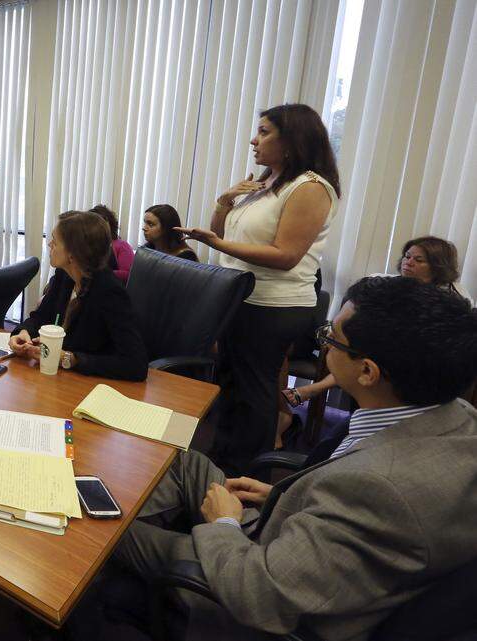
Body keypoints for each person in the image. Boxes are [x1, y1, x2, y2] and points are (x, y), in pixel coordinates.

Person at [70, 276, 477, 641]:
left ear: (368, 372)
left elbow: (261, 595)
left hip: (250, 578)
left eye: (331, 338)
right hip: (296, 538)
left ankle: (93, 545)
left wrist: (225, 523)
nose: (323, 343)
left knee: (103, 530)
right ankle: (125, 509)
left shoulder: (380, 489)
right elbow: (346, 507)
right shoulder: (458, 417)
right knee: (185, 460)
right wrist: (285, 495)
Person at [176, 103, 340, 473]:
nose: (254, 139)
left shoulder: (310, 187)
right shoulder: (267, 182)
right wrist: (224, 201)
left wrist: (215, 245)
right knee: (231, 386)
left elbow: (285, 254)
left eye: (264, 131)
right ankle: (221, 465)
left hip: (273, 305)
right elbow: (220, 231)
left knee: (254, 394)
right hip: (240, 297)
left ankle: (247, 475)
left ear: (291, 139)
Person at [282, 235, 473, 413]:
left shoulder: (453, 299)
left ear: (438, 266)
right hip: (377, 349)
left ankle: (313, 389)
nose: (409, 262)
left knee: (365, 355)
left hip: (418, 363)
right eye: (407, 256)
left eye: (419, 260)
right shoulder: (388, 284)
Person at [8, 211, 148, 380]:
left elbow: (136, 364)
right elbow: (40, 317)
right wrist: (24, 333)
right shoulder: (64, 275)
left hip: (91, 385)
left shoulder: (109, 291)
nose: (49, 244)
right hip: (56, 377)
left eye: (55, 241)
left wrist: (72, 360)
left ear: (73, 254)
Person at [89, 205, 134, 283]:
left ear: (111, 224)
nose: (98, 227)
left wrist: (96, 274)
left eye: (102, 223)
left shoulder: (122, 246)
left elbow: (128, 274)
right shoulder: (86, 245)